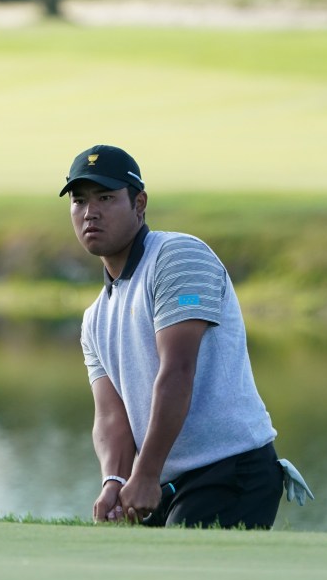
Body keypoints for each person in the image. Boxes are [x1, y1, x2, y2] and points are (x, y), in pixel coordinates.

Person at [60, 144, 309, 529]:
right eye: (79, 201)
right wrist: (116, 479)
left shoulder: (178, 256)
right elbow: (112, 416)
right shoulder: (94, 318)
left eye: (106, 198)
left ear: (139, 203)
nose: (90, 212)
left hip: (231, 470)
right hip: (166, 481)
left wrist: (144, 474)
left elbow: (177, 371)